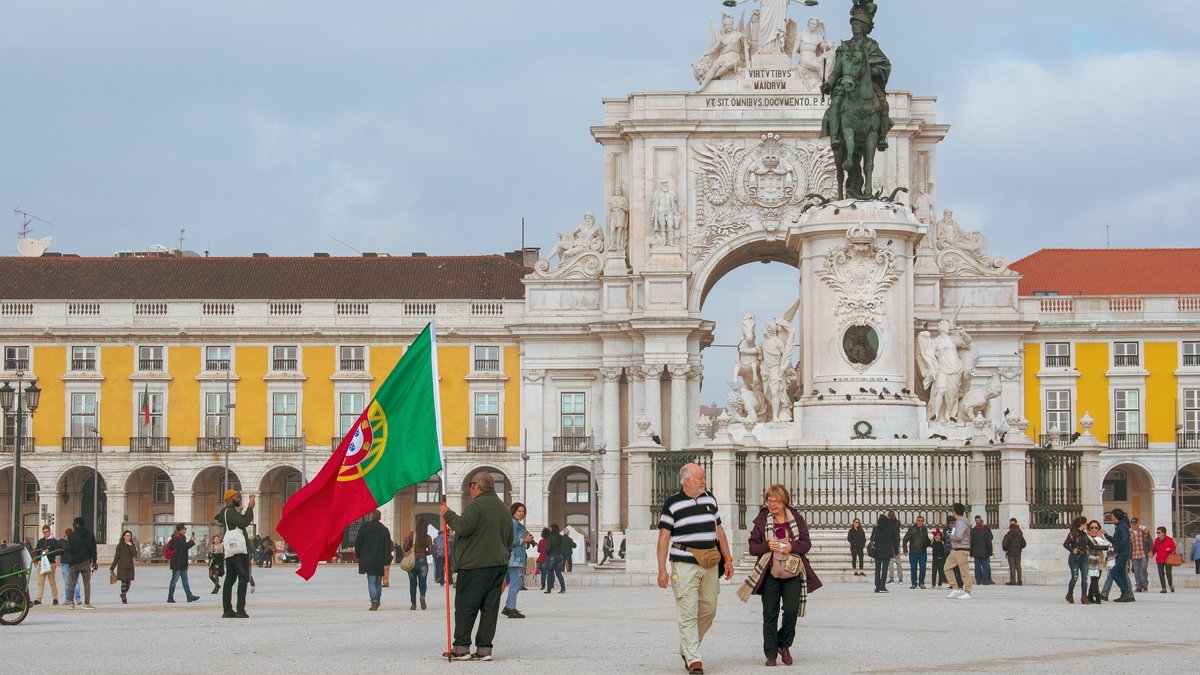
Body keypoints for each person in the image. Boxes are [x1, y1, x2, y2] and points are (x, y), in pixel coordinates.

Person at [657, 463, 734, 675]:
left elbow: (720, 531)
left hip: (709, 563)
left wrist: (727, 558)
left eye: (704, 478)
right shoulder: (672, 504)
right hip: (683, 564)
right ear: (686, 480)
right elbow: (664, 538)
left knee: (709, 609)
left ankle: (686, 647)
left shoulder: (710, 499)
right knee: (688, 611)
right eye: (700, 478)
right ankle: (694, 659)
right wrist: (662, 569)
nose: (704, 481)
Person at [741, 484, 821, 667]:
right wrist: (768, 545)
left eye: (775, 500)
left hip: (792, 572)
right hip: (770, 572)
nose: (772, 503)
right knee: (770, 613)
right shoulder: (762, 519)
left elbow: (806, 543)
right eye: (769, 500)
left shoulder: (796, 518)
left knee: (791, 610)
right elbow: (753, 547)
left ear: (784, 501)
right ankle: (771, 654)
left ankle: (783, 644)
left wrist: (792, 546)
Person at [440, 471, 512, 662]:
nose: (469, 490)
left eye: (470, 486)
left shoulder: (477, 506)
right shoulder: (504, 508)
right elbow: (510, 539)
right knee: (490, 609)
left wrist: (447, 514)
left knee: (466, 607)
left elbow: (463, 526)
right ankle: (484, 650)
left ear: (476, 486)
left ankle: (461, 648)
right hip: (498, 566)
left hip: (474, 566)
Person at [216, 488, 255, 618]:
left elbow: (239, 521)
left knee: (230, 579)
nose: (239, 500)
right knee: (243, 578)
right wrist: (250, 508)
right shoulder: (230, 511)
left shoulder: (227, 512)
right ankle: (240, 610)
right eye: (237, 497)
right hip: (239, 551)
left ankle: (227, 610)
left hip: (231, 551)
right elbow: (244, 522)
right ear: (229, 499)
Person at [354, 509, 392, 611]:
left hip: (367, 558)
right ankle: (377, 599)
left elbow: (358, 544)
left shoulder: (364, 528)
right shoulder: (384, 530)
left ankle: (374, 601)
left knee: (371, 581)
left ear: (371, 517)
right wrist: (387, 561)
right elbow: (388, 547)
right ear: (379, 517)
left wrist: (358, 556)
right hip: (380, 559)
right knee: (378, 581)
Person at [503, 502, 535, 619]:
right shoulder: (513, 524)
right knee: (517, 583)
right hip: (515, 559)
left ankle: (509, 606)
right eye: (519, 511)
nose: (521, 513)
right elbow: (512, 540)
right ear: (513, 511)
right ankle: (511, 608)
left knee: (514, 583)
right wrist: (524, 539)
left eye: (523, 511)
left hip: (515, 557)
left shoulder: (516, 523)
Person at [66, 517, 98, 609]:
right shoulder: (90, 534)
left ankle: (71, 603)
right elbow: (93, 549)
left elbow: (69, 549)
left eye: (73, 524)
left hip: (74, 562)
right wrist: (94, 561)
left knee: (72, 583)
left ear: (76, 524)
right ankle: (87, 603)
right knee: (87, 583)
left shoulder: (72, 536)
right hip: (85, 562)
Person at [943, 504, 973, 600]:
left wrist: (949, 535)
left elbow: (959, 537)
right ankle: (955, 588)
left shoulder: (961, 522)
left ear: (955, 512)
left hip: (962, 549)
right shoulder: (959, 522)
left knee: (964, 571)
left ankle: (967, 591)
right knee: (947, 568)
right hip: (955, 550)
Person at [166, 523, 200, 603]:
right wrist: (191, 541)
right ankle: (170, 597)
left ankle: (189, 596)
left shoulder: (180, 537)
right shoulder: (177, 538)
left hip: (181, 563)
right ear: (181, 529)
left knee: (185, 580)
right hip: (177, 563)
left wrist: (190, 541)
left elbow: (183, 548)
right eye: (184, 528)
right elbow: (185, 547)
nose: (185, 530)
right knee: (174, 581)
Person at [403, 519, 433, 610]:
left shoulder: (412, 535)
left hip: (412, 562)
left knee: (412, 583)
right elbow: (431, 551)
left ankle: (413, 604)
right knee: (423, 582)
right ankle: (422, 596)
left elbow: (405, 547)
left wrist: (409, 548)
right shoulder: (428, 537)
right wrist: (424, 553)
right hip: (422, 562)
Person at [1109, 508, 1135, 602]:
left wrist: (1117, 550)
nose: (1111, 517)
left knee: (1114, 572)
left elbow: (1124, 540)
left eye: (1112, 515)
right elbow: (1117, 540)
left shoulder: (1122, 527)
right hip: (1122, 553)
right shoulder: (1120, 526)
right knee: (1121, 573)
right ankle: (1126, 594)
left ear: (1115, 516)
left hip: (1123, 554)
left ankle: (1125, 592)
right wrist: (1106, 536)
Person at [1063, 516, 1089, 604]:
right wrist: (1072, 549)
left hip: (1084, 557)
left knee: (1085, 577)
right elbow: (1065, 544)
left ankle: (1084, 597)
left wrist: (1105, 547)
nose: (1086, 525)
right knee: (1075, 577)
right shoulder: (1072, 534)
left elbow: (1090, 545)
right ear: (1082, 524)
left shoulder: (1084, 534)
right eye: (1085, 523)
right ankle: (1070, 594)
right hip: (1075, 558)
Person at [1084, 520, 1112, 603]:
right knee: (1094, 579)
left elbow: (1108, 543)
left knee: (1096, 578)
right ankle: (1097, 596)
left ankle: (1090, 596)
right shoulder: (1087, 537)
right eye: (1092, 527)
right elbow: (1092, 547)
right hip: (1091, 560)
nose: (1094, 529)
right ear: (1089, 528)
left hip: (1100, 560)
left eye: (1096, 527)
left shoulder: (1101, 536)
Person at [33, 524, 60, 606]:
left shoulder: (54, 541)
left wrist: (50, 550)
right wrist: (38, 560)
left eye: (46, 532)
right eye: (44, 532)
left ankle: (55, 598)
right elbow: (37, 551)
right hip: (41, 564)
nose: (45, 533)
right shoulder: (40, 541)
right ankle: (38, 599)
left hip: (51, 563)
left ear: (49, 531)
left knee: (52, 582)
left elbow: (57, 551)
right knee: (40, 582)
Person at [868, 514, 895, 593]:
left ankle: (877, 586)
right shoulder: (890, 529)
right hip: (887, 552)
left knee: (877, 569)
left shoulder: (875, 528)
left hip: (877, 552)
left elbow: (872, 538)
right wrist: (895, 551)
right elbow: (894, 540)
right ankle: (882, 586)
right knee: (884, 570)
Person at [902, 515, 930, 589]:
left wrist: (931, 543)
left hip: (923, 552)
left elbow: (926, 540)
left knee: (923, 568)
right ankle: (914, 583)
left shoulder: (925, 529)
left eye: (922, 521)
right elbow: (905, 539)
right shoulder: (912, 529)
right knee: (913, 568)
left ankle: (921, 582)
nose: (920, 522)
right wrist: (905, 549)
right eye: (919, 520)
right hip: (913, 552)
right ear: (916, 521)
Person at [110, 529, 137, 604]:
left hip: (130, 566)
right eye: (127, 536)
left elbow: (134, 553)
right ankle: (124, 597)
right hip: (122, 566)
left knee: (128, 583)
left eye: (129, 536)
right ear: (124, 536)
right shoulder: (120, 545)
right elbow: (116, 557)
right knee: (124, 582)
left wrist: (131, 545)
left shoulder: (132, 544)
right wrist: (112, 567)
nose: (128, 537)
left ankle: (122, 594)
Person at [1001, 518, 1026, 586]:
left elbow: (1004, 544)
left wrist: (1006, 549)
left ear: (1009, 528)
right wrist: (1019, 548)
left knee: (1012, 567)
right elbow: (1024, 544)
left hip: (1010, 553)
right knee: (1018, 566)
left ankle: (1013, 581)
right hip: (1018, 553)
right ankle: (1019, 581)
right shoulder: (1019, 534)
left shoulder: (1007, 535)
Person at [1129, 516, 1152, 592]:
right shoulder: (1129, 533)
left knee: (1143, 569)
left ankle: (1144, 585)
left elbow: (1150, 542)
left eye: (1135, 524)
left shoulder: (1144, 532)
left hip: (1143, 554)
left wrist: (1150, 551)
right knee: (1136, 571)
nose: (1133, 525)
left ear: (1137, 524)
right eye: (1132, 524)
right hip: (1134, 554)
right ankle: (1138, 586)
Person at [970, 515, 994, 585]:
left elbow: (971, 543)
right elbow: (989, 541)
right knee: (985, 567)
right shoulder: (986, 530)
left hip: (976, 552)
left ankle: (978, 580)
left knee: (977, 567)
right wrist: (990, 552)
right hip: (985, 552)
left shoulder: (973, 531)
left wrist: (971, 553)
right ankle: (985, 580)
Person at [1151, 527, 1177, 593]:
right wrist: (1152, 554)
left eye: (1159, 532)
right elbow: (1154, 549)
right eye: (1157, 532)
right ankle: (1163, 588)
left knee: (1168, 573)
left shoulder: (1169, 539)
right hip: (1159, 559)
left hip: (1168, 559)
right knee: (1161, 574)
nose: (1158, 534)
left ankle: (1170, 585)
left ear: (1163, 533)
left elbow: (1174, 548)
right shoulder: (1156, 540)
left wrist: (1170, 549)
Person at [60, 527, 81, 604]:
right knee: (68, 582)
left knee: (75, 582)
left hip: (74, 564)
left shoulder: (76, 542)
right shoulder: (61, 542)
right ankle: (69, 599)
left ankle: (76, 598)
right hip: (66, 564)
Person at [544, 524, 566, 593]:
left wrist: (547, 553)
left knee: (550, 573)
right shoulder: (561, 537)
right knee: (558, 573)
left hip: (552, 556)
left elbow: (548, 548)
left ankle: (549, 589)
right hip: (560, 556)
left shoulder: (550, 537)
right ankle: (563, 588)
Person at [607, 186, 629, 254]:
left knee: (620, 231)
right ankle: (612, 245)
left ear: (620, 191)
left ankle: (619, 246)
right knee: (612, 230)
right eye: (616, 189)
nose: (617, 191)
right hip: (613, 215)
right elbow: (609, 210)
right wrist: (608, 220)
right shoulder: (611, 199)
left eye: (618, 189)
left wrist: (622, 207)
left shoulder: (623, 199)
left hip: (621, 215)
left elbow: (627, 209)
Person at [886, 510, 902, 584]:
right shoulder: (897, 523)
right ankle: (900, 579)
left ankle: (891, 579)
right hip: (897, 544)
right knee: (898, 562)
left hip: (889, 545)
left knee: (890, 562)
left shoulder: (887, 524)